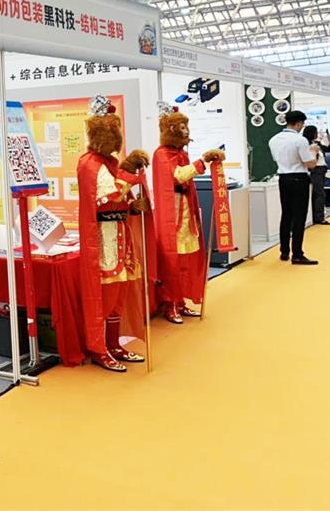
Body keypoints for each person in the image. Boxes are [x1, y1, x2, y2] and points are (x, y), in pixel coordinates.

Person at [77, 95, 152, 372]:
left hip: (120, 233)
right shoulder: (89, 163)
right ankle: (100, 349)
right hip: (103, 239)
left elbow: (119, 197)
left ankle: (114, 343)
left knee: (119, 294)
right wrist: (130, 174)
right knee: (106, 295)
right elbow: (107, 195)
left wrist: (133, 206)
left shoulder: (109, 162)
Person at [152, 104, 225, 324]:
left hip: (185, 213)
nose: (186, 131)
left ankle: (181, 300)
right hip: (172, 215)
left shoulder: (181, 153)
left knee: (185, 260)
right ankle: (170, 303)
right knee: (171, 261)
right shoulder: (162, 154)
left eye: (186, 126)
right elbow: (178, 176)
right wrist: (202, 162)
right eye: (181, 127)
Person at [268, 110, 318, 265]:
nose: (302, 127)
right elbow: (310, 164)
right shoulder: (300, 140)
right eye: (302, 124)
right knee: (299, 217)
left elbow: (276, 159)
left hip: (283, 178)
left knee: (286, 215)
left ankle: (284, 251)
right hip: (299, 179)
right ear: (298, 123)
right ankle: (297, 254)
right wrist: (314, 152)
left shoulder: (273, 139)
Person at [303, 125, 330, 226]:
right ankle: (319, 217)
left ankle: (317, 216)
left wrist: (329, 139)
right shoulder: (306, 144)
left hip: (321, 170)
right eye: (316, 132)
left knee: (318, 193)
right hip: (315, 170)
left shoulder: (317, 144)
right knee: (319, 194)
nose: (318, 134)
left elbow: (329, 149)